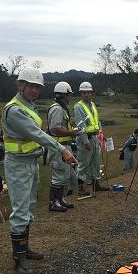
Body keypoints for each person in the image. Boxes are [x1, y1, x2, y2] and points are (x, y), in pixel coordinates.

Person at [2, 67, 76, 274]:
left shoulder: (28, 106)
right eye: (31, 86)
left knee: (30, 207)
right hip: (18, 165)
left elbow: (37, 134)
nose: (35, 90)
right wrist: (62, 150)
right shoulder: (15, 110)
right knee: (20, 211)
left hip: (30, 163)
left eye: (37, 87)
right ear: (20, 85)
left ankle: (25, 248)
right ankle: (19, 259)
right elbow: (37, 133)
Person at [47, 81, 81, 212]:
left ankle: (59, 200)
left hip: (64, 146)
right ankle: (53, 202)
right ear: (63, 95)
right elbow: (54, 128)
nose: (70, 98)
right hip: (58, 147)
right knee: (59, 176)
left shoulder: (61, 108)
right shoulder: (57, 109)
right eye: (69, 95)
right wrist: (70, 132)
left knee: (65, 175)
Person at [74, 81, 109, 196]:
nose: (86, 95)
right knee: (83, 163)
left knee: (95, 162)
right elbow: (80, 125)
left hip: (94, 137)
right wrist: (85, 141)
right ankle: (80, 188)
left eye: (88, 92)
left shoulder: (93, 105)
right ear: (81, 94)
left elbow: (97, 121)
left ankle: (96, 185)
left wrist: (101, 135)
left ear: (91, 93)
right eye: (84, 93)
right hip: (86, 139)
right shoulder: (78, 106)